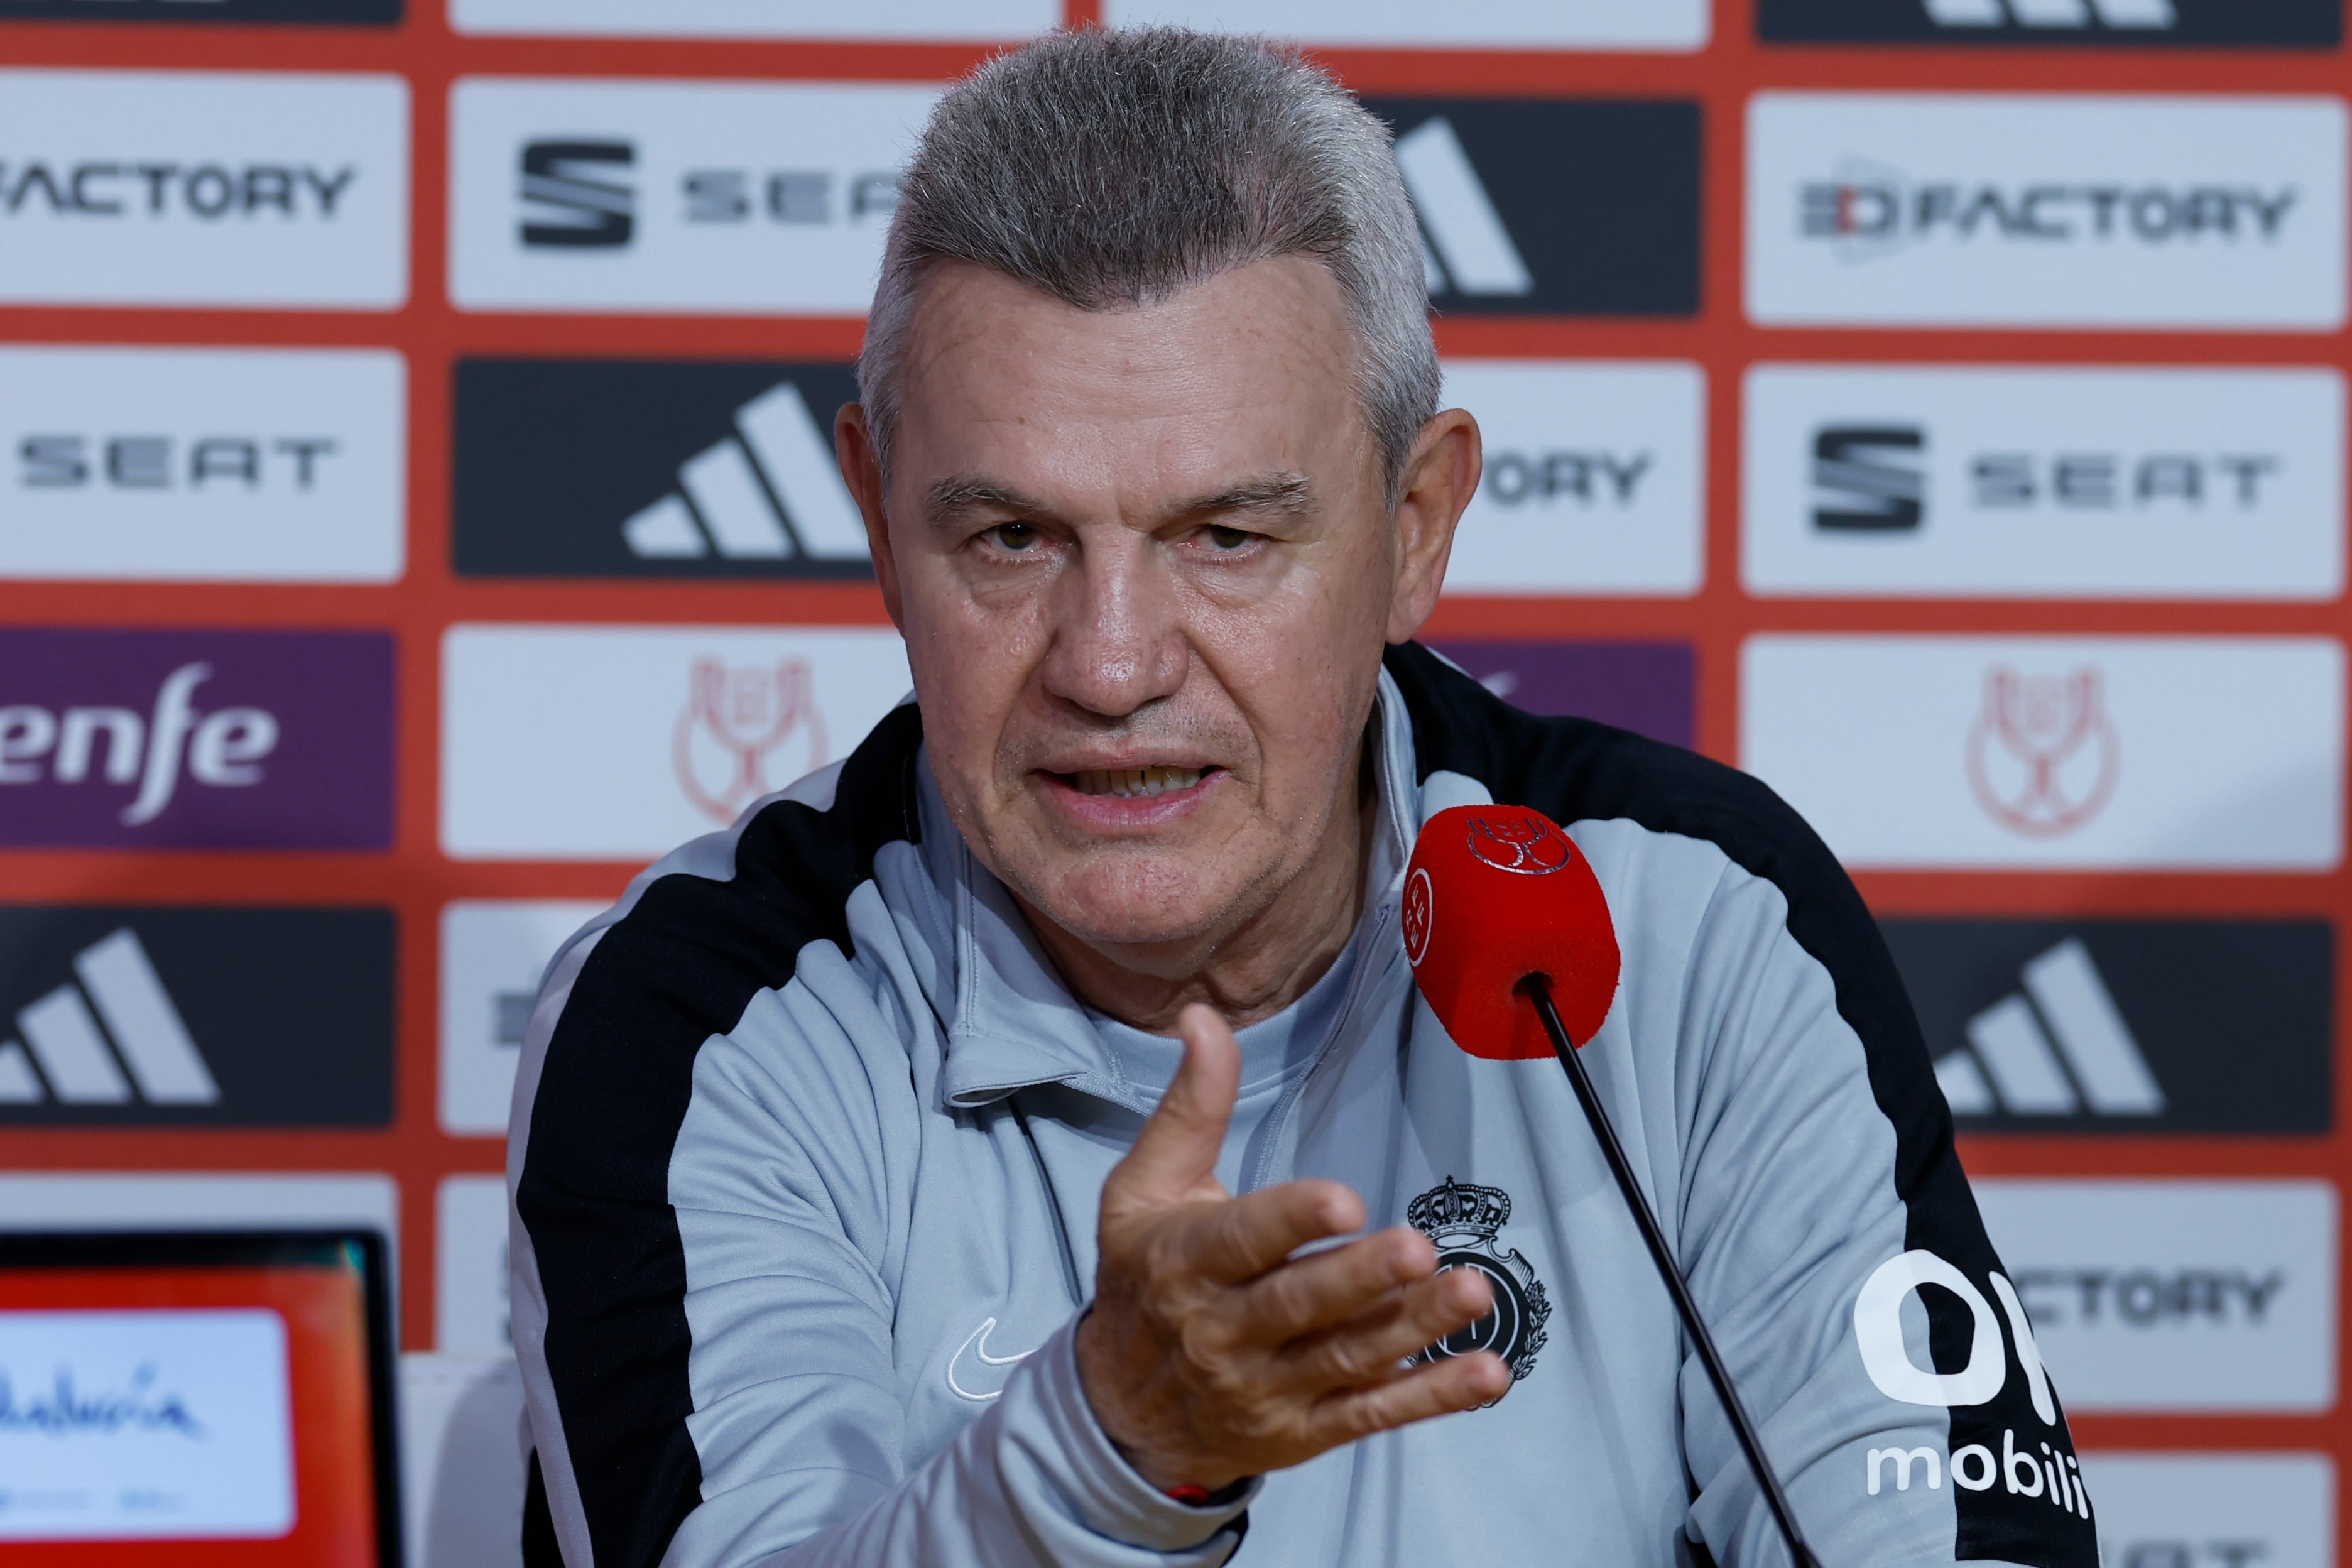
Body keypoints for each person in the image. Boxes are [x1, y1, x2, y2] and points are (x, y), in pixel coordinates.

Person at [508, 27, 2098, 1568]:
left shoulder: (1692, 921)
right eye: (1010, 539)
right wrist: (1106, 1456)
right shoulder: (701, 1022)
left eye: (1228, 538)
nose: (1112, 666)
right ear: (875, 520)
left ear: (1416, 526)